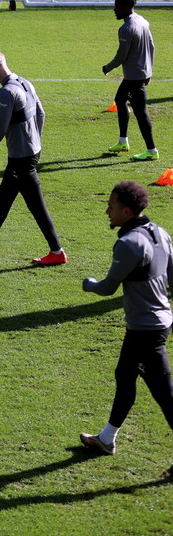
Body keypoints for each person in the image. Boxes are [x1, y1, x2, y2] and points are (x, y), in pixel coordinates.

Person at [80, 181, 173, 472]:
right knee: (124, 375)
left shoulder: (128, 243)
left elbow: (108, 288)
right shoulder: (160, 233)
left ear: (127, 211)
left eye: (112, 207)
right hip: (155, 324)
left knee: (166, 397)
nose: (107, 211)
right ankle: (107, 438)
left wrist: (90, 285)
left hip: (146, 331)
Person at [0, 51, 66, 266]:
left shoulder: (6, 93)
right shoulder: (25, 83)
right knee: (5, 196)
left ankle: (57, 251)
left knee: (36, 205)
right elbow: (41, 113)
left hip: (21, 156)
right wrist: (35, 139)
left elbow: (0, 128)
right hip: (31, 151)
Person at [103, 0, 158, 161]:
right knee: (120, 100)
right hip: (138, 74)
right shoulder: (142, 20)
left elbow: (122, 56)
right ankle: (123, 141)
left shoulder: (126, 28)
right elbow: (152, 47)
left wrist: (108, 67)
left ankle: (151, 151)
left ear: (126, 7)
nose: (114, 10)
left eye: (117, 6)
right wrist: (149, 71)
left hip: (134, 77)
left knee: (141, 112)